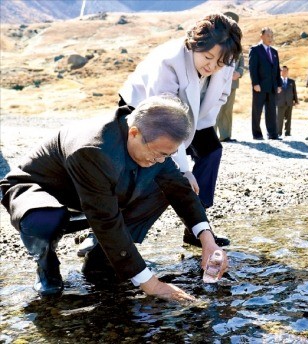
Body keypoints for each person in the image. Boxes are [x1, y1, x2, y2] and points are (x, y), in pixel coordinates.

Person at [0, 95, 229, 301]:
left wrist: (208, 242)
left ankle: (101, 260)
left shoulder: (151, 138)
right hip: (41, 191)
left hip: (95, 193)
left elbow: (180, 190)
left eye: (167, 155)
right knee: (45, 219)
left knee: (167, 185)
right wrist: (151, 284)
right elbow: (105, 219)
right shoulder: (93, 149)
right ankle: (46, 265)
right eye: (159, 153)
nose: (161, 160)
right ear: (134, 133)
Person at [118, 14, 241, 248]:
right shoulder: (169, 62)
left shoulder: (225, 61)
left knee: (211, 151)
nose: (212, 66)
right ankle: (110, 231)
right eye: (207, 57)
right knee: (153, 169)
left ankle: (197, 225)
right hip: (145, 108)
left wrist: (199, 127)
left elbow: (219, 98)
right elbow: (166, 122)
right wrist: (184, 171)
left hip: (192, 116)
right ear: (194, 44)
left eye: (220, 63)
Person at [215, 11, 245, 142]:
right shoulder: (216, 40)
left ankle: (225, 135)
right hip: (217, 82)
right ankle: (211, 136)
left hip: (232, 82)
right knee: (214, 108)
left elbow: (241, 62)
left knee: (227, 109)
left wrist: (239, 72)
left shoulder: (237, 43)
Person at [249, 27, 282, 140]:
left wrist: (279, 84)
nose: (270, 38)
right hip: (260, 86)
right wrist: (255, 83)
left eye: (271, 36)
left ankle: (273, 134)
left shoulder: (274, 52)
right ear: (261, 36)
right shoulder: (255, 49)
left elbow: (277, 69)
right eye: (268, 35)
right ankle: (257, 134)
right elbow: (253, 68)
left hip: (272, 86)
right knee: (257, 111)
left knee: (272, 111)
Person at [276, 65, 299, 137]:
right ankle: (278, 132)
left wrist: (296, 100)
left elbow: (294, 92)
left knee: (288, 119)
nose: (284, 72)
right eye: (282, 70)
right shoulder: (277, 81)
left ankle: (287, 132)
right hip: (280, 102)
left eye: (285, 71)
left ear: (287, 71)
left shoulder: (291, 82)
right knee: (279, 119)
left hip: (289, 102)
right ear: (280, 72)